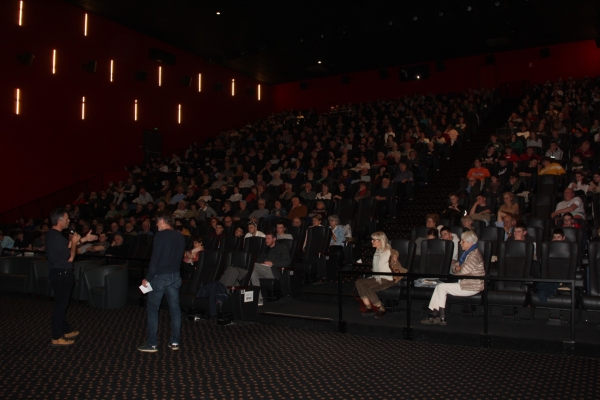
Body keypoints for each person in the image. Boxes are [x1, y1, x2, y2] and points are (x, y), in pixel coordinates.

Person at [46, 208, 97, 346]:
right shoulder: (56, 236)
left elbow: (66, 246)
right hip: (62, 273)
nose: (69, 220)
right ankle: (56, 336)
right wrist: (75, 242)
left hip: (57, 272)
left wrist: (84, 239)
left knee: (62, 303)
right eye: (67, 218)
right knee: (61, 306)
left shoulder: (53, 234)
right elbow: (70, 257)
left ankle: (65, 329)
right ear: (60, 221)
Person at [138, 210, 186, 353]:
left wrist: (148, 277)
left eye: (157, 221)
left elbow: (155, 259)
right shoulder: (180, 236)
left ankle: (152, 344)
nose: (156, 224)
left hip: (160, 277)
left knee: (153, 309)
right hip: (175, 276)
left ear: (163, 221)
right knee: (175, 310)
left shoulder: (160, 236)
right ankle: (175, 341)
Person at [421, 230, 484, 326]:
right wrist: (457, 268)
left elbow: (462, 271)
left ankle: (438, 315)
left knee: (441, 287)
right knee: (440, 287)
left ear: (470, 242)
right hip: (465, 284)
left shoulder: (474, 255)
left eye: (462, 241)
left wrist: (458, 268)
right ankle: (437, 315)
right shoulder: (467, 253)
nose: (460, 242)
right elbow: (455, 267)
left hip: (471, 286)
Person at [355, 231, 396, 318]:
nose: (371, 241)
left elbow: (395, 252)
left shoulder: (388, 251)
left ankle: (380, 308)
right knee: (359, 282)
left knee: (367, 287)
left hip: (386, 279)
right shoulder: (377, 251)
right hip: (377, 277)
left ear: (380, 241)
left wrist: (395, 256)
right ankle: (368, 307)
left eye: (374, 240)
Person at [250, 232, 291, 306]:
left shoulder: (282, 247)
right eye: (266, 238)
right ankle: (258, 299)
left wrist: (273, 263)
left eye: (268, 238)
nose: (266, 240)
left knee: (251, 265)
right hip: (264, 270)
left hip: (274, 271)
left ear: (274, 239)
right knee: (252, 272)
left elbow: (287, 262)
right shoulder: (266, 249)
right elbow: (259, 260)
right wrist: (262, 263)